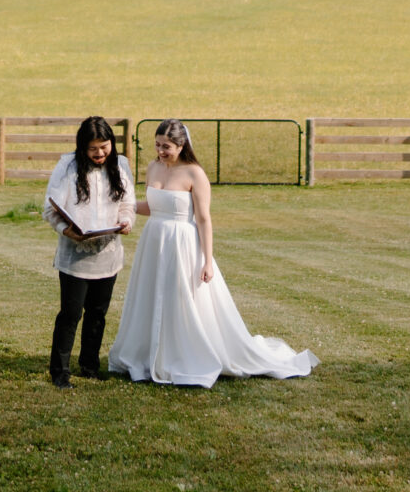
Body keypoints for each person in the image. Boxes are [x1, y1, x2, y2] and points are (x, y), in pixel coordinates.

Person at [107, 119, 318, 385]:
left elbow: (204, 219)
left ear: (181, 145)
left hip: (182, 243)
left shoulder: (195, 174)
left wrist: (207, 261)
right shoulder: (153, 168)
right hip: (154, 241)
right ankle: (149, 353)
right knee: (151, 293)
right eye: (158, 145)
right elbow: (153, 205)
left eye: (167, 147)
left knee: (180, 296)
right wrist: (121, 209)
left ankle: (181, 354)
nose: (161, 151)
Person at [42, 115, 136, 388]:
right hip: (75, 255)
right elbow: (51, 208)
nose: (99, 154)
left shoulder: (121, 166)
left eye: (104, 147)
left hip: (108, 252)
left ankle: (90, 365)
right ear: (82, 147)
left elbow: (128, 204)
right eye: (93, 149)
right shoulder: (68, 166)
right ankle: (60, 372)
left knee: (98, 313)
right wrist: (65, 229)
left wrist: (126, 222)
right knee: (71, 314)